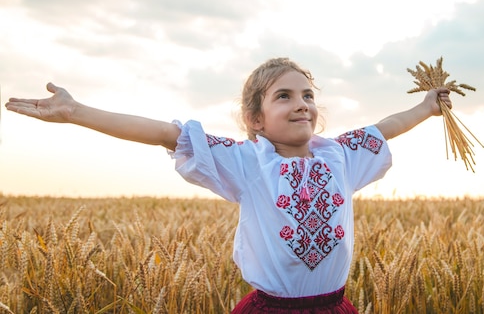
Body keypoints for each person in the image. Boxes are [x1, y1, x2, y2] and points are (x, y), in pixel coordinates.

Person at [5, 57, 451, 313]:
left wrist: (427, 107)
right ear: (256, 120)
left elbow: (386, 126)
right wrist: (77, 112)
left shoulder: (338, 156)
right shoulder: (247, 161)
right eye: (284, 96)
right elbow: (166, 133)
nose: (302, 105)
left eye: (308, 95)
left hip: (334, 307)